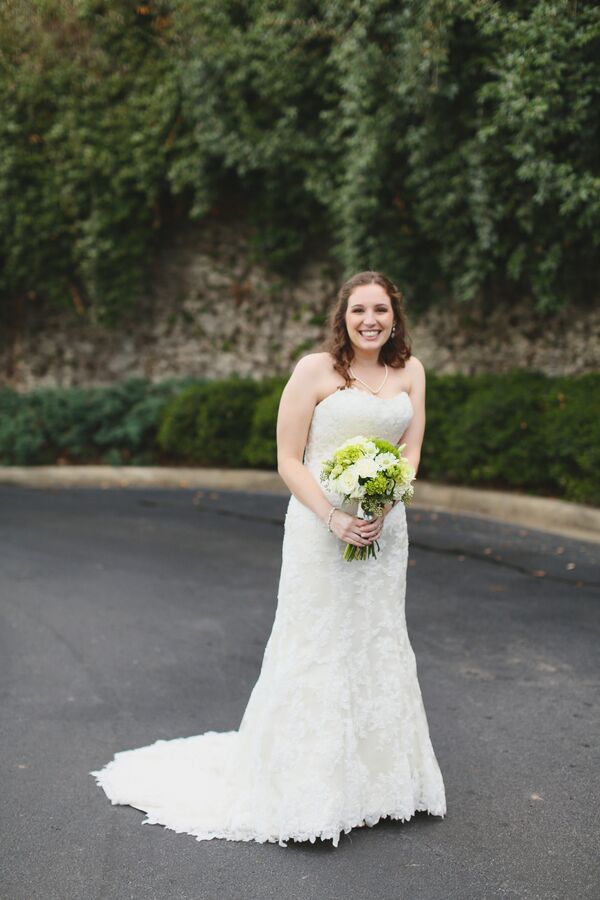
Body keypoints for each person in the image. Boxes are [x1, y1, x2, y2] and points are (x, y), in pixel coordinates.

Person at [90, 270, 446, 848]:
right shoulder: (315, 370)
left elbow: (412, 449)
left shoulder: (411, 371)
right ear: (343, 315)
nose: (370, 321)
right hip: (318, 523)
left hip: (384, 528)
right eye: (359, 310)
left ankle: (381, 787)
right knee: (318, 641)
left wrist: (387, 497)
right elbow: (288, 458)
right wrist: (333, 517)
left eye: (380, 310)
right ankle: (309, 788)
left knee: (376, 637)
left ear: (395, 316)